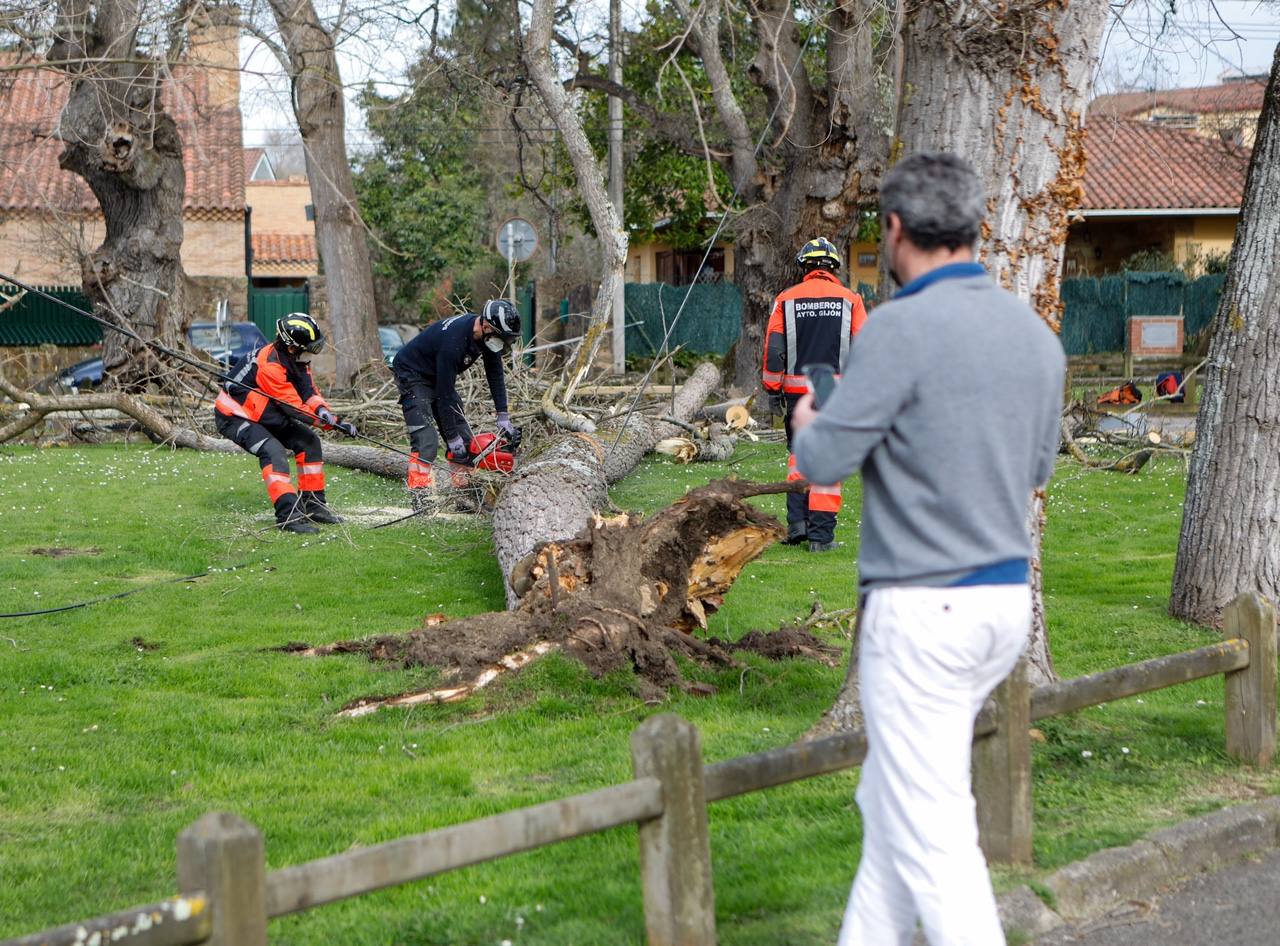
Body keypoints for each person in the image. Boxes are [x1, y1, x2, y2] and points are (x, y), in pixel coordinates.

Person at [790, 153, 1065, 946]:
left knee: (937, 835)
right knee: (892, 813)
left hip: (922, 610)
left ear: (896, 230)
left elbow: (825, 463)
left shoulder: (898, 327)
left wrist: (813, 425)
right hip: (1000, 605)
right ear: (976, 227)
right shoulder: (1036, 337)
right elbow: (1037, 466)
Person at [762, 236, 868, 552]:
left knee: (798, 458)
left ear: (805, 267)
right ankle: (821, 537)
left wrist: (772, 388)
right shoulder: (851, 300)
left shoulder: (786, 299)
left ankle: (797, 527)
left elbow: (774, 350)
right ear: (833, 267)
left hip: (795, 393)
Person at [214, 314, 358, 534]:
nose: (311, 354)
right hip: (235, 416)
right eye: (308, 348)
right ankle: (288, 516)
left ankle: (314, 506)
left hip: (264, 412)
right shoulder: (270, 366)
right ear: (292, 348)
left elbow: (308, 392)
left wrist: (326, 413)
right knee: (273, 452)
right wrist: (333, 424)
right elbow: (295, 408)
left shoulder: (297, 360)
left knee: (309, 442)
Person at [391, 300, 522, 507]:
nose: (502, 343)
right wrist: (451, 437)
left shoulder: (487, 337)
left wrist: (503, 416)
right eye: (501, 338)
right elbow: (443, 394)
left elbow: (495, 375)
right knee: (427, 440)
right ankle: (420, 497)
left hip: (439, 374)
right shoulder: (454, 342)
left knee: (466, 440)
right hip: (413, 374)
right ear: (486, 326)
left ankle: (464, 497)